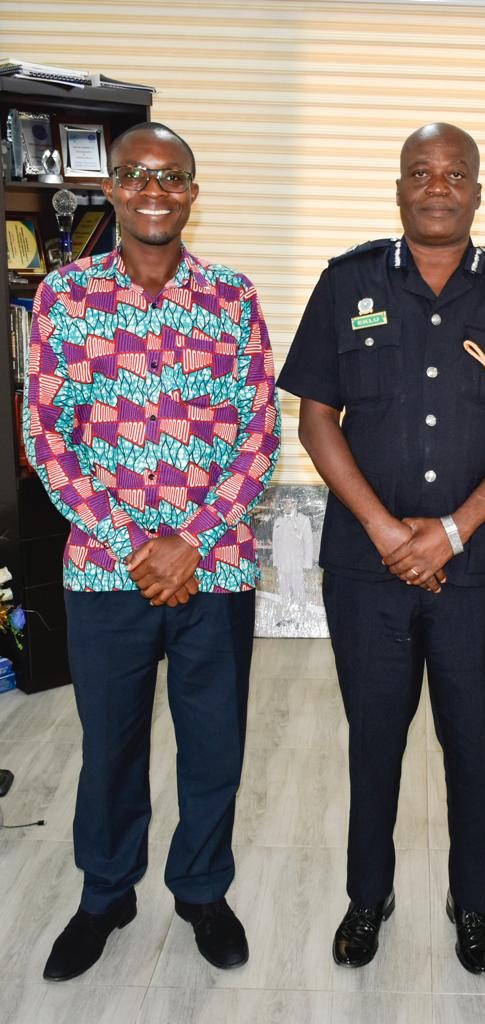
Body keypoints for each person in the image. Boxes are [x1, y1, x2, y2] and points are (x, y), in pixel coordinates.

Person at [278, 123, 485, 973]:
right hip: (365, 570)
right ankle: (366, 897)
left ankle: (469, 902)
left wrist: (450, 530)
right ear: (399, 187)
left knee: (471, 741)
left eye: (455, 174)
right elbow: (315, 420)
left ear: (477, 191)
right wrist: (383, 528)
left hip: (476, 569)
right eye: (420, 172)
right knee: (373, 738)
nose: (437, 186)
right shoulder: (348, 282)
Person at [24, 122, 280, 981]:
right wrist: (137, 543)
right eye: (134, 174)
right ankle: (105, 895)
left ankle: (202, 890)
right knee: (110, 743)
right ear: (112, 191)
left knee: (214, 743)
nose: (152, 190)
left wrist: (191, 542)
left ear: (192, 193)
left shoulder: (233, 298)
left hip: (217, 567)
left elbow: (258, 434)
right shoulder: (65, 297)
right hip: (106, 569)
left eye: (171, 177)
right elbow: (47, 437)